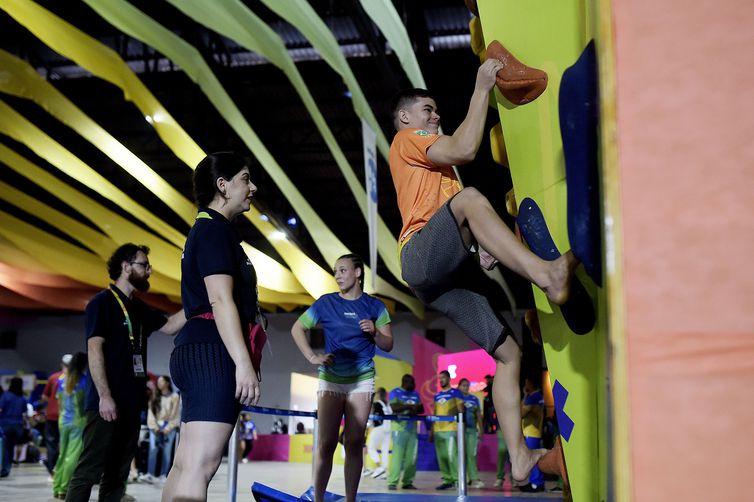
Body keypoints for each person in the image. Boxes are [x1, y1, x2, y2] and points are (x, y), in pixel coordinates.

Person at [388, 58, 578, 483]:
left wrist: (479, 245)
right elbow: (465, 149)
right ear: (405, 118)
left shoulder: (440, 171)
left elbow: (451, 199)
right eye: (428, 110)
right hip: (418, 257)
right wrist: (481, 88)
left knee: (510, 355)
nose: (435, 116)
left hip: (443, 277)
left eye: (436, 111)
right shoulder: (407, 139)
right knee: (471, 199)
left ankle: (522, 459)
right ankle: (547, 276)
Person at [163, 152, 261, 502]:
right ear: (223, 185)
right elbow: (220, 301)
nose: (252, 187)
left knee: (186, 465)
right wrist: (244, 364)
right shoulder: (214, 230)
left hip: (198, 349)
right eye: (245, 179)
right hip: (213, 354)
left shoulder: (208, 230)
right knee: (200, 466)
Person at [65, 244, 186, 502]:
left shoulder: (139, 308)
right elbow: (94, 350)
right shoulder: (101, 303)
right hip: (106, 404)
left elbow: (171, 325)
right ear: (126, 267)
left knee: (117, 474)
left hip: (132, 404)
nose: (149, 271)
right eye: (145, 265)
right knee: (89, 470)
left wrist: (203, 301)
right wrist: (104, 396)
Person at [291, 253, 394, 502]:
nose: (337, 275)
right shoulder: (326, 303)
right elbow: (298, 328)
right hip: (331, 378)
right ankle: (318, 498)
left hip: (362, 378)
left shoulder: (375, 306)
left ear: (358, 273)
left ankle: (350, 500)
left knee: (354, 440)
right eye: (336, 271)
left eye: (343, 270)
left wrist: (375, 334)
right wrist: (312, 357)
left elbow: (388, 343)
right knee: (326, 442)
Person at [52, 353, 88, 499]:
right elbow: (82, 407)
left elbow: (59, 403)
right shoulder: (84, 381)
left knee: (62, 455)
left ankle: (57, 488)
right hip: (78, 422)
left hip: (63, 422)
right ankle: (64, 489)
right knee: (72, 457)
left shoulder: (61, 381)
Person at [386, 374, 423, 490]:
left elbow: (421, 409)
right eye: (411, 383)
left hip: (412, 429)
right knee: (397, 457)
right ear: (404, 382)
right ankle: (392, 482)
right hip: (399, 429)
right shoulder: (395, 392)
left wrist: (414, 408)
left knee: (411, 457)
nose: (413, 385)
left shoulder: (416, 394)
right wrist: (409, 406)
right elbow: (394, 408)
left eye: (414, 383)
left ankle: (407, 481)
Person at [429, 370, 464, 490]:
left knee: (451, 456)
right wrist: (431, 431)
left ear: (449, 379)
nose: (441, 380)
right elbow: (434, 413)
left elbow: (461, 410)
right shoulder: (437, 395)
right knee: (442, 457)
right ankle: (447, 479)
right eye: (440, 378)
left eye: (443, 377)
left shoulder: (456, 393)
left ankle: (457, 480)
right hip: (438, 430)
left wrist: (453, 410)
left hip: (451, 429)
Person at [145, 375, 180, 482]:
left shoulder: (174, 396)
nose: (159, 384)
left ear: (167, 383)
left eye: (162, 381)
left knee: (167, 451)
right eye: (158, 382)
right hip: (155, 426)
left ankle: (164, 474)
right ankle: (150, 473)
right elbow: (150, 413)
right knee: (153, 450)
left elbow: (176, 414)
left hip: (169, 426)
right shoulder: (154, 396)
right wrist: (154, 427)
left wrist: (168, 427)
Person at [41, 354, 71, 476]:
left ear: (61, 364)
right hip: (69, 418)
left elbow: (44, 396)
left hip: (52, 416)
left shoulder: (53, 378)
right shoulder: (77, 378)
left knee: (52, 444)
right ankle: (65, 471)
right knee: (67, 445)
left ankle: (53, 470)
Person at [520, 376, 545, 492]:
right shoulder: (539, 396)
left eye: (527, 383)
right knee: (535, 457)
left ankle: (536, 483)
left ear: (531, 384)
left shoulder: (532, 398)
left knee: (532, 457)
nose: (525, 386)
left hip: (531, 432)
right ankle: (536, 482)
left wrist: (524, 396)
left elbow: (521, 413)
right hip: (536, 432)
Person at [458, 378, 484, 488]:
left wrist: (481, 429)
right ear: (459, 386)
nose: (465, 387)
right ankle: (460, 479)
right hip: (459, 431)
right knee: (460, 455)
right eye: (463, 385)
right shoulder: (456, 398)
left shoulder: (474, 399)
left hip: (472, 430)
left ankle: (473, 479)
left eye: (467, 385)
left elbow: (478, 415)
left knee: (471, 455)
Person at [0, 377, 28, 477]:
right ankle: (7, 468)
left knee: (4, 448)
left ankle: (4, 469)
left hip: (5, 424)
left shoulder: (5, 396)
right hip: (17, 426)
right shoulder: (22, 398)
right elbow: (24, 413)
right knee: (10, 447)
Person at [364, 387, 391, 479]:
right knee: (385, 451)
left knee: (371, 447)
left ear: (378, 394)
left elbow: (372, 418)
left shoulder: (376, 404)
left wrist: (367, 426)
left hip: (379, 428)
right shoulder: (388, 404)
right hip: (388, 429)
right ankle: (384, 471)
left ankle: (379, 467)